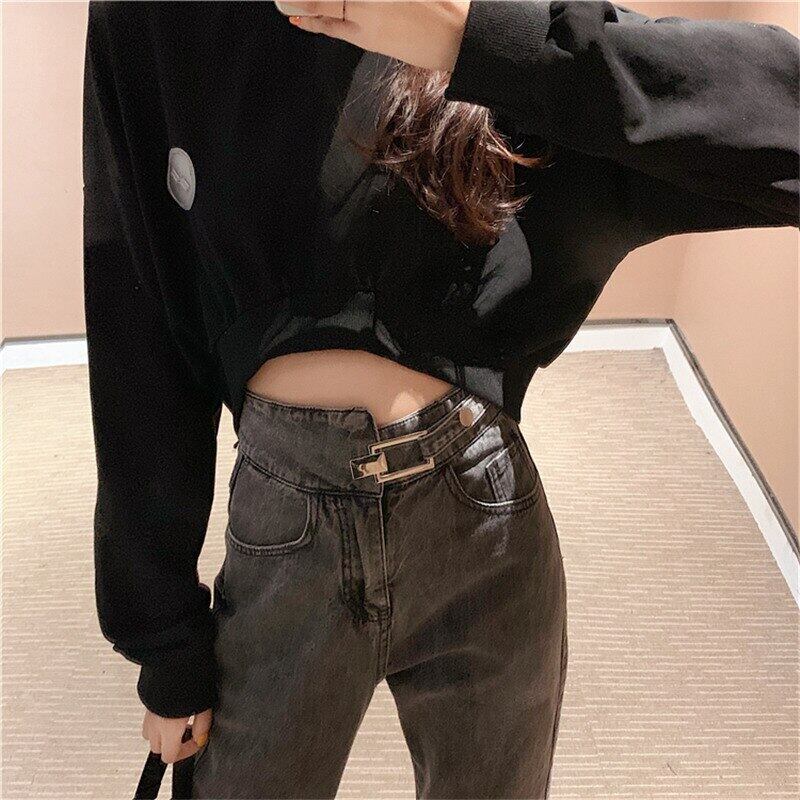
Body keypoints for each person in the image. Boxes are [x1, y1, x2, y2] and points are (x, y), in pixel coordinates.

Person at [82, 2, 799, 798]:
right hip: (287, 520)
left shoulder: (479, 10)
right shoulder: (154, 17)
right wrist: (166, 646)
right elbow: (136, 329)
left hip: (483, 506)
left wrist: (476, 36)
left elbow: (780, 123)